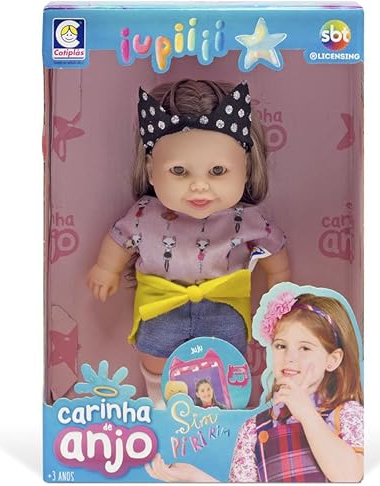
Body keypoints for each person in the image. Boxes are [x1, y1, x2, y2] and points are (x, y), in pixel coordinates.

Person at [87, 79, 290, 407]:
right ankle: (161, 405)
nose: (199, 186)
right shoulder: (144, 214)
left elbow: (274, 251)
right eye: (179, 171)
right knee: (156, 356)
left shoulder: (247, 219)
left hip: (223, 308)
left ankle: (223, 415)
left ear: (246, 168)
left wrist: (279, 286)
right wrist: (105, 268)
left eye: (218, 170)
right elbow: (120, 239)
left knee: (227, 362)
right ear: (151, 171)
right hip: (162, 306)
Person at [145, 292, 364, 482]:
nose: (290, 357)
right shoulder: (253, 429)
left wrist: (306, 413)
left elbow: (349, 476)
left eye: (305, 348)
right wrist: (197, 478)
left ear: (332, 360)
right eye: (281, 346)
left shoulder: (347, 414)